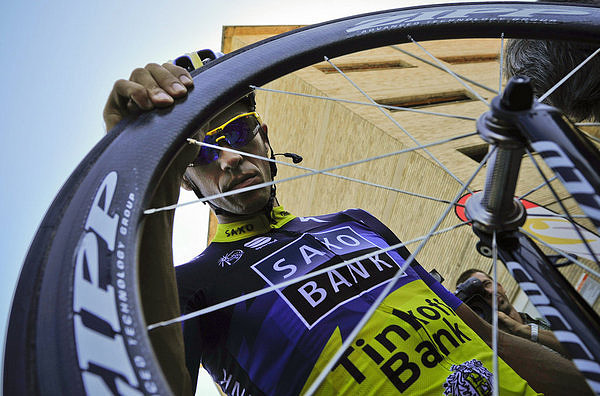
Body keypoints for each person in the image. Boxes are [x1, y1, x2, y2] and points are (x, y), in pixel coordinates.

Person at [103, 53, 593, 395]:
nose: (229, 157)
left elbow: (475, 332)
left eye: (237, 132)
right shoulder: (191, 283)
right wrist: (143, 173)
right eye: (204, 152)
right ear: (186, 181)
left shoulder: (356, 222)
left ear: (264, 137)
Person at [455, 269, 566, 356]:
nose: (488, 292)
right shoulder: (495, 353)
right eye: (479, 295)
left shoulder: (543, 323)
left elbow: (576, 349)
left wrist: (525, 330)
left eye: (487, 284)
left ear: (499, 286)